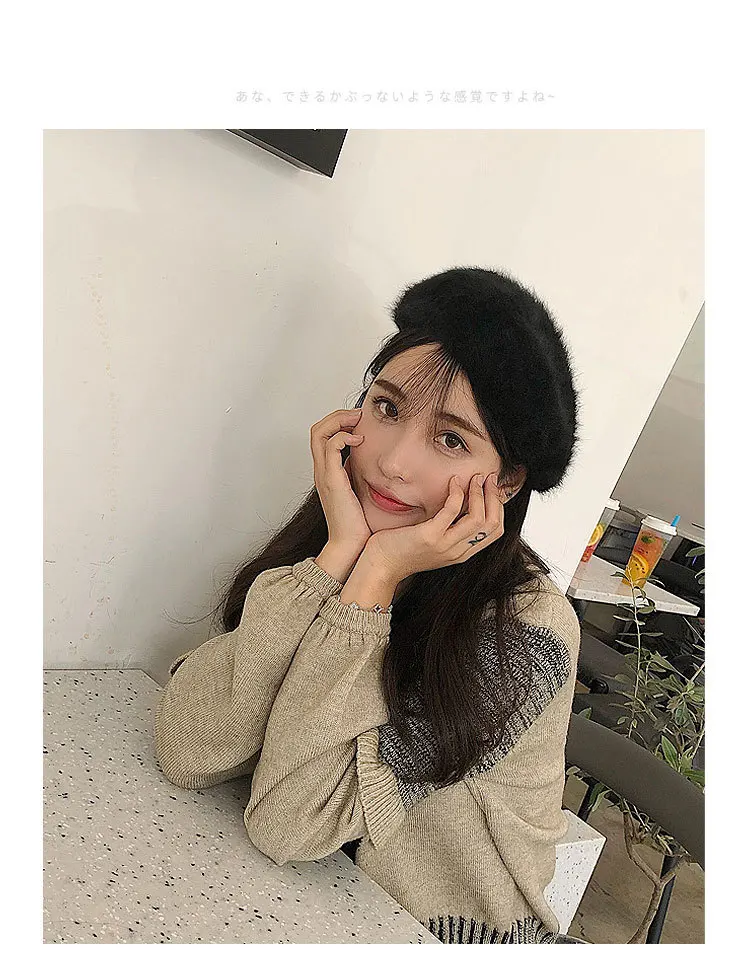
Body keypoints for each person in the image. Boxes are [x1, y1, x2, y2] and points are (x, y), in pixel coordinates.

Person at [154, 266, 581, 944]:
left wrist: (376, 573)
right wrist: (338, 556)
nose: (392, 462)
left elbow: (288, 822)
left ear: (506, 481)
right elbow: (189, 747)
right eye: (386, 408)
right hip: (313, 902)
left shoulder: (528, 632)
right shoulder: (352, 532)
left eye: (451, 439)